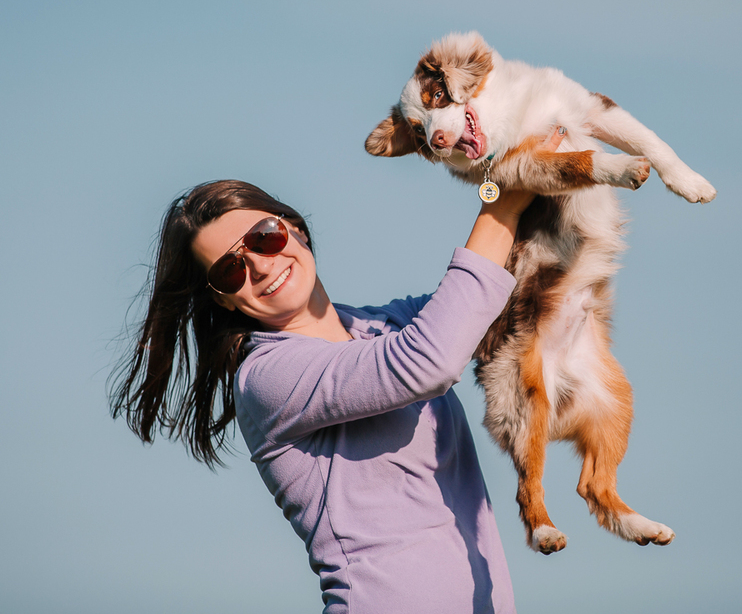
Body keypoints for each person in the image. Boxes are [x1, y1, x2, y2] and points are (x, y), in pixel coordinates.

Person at [110, 128, 567, 613]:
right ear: (223, 298)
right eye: (230, 269)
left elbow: (499, 300)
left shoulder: (385, 326)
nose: (261, 268)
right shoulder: (267, 377)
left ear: (294, 228)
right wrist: (499, 204)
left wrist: (518, 167)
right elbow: (431, 359)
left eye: (264, 238)